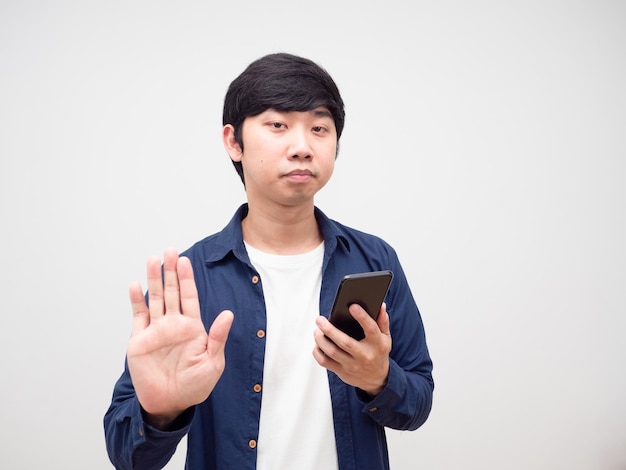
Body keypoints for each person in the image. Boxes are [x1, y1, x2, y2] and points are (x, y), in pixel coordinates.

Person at [104, 52, 434, 470]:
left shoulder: (373, 260)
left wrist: (379, 380)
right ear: (233, 142)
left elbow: (417, 404)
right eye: (278, 126)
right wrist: (161, 411)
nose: (302, 147)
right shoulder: (187, 280)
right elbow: (126, 455)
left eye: (319, 128)